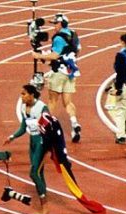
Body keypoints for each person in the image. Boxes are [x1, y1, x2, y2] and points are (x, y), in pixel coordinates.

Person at [37, 112, 106, 214]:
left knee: (73, 188)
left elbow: (46, 145)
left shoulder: (46, 124)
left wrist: (41, 162)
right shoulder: (50, 119)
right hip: (62, 155)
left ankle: (96, 208)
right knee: (72, 185)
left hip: (61, 160)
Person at [32, 13, 82, 143]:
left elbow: (54, 55)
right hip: (71, 72)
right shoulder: (74, 34)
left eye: (55, 24)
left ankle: (46, 127)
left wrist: (39, 56)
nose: (53, 26)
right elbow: (77, 51)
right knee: (68, 102)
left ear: (60, 24)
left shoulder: (59, 38)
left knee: (52, 100)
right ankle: (75, 124)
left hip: (59, 72)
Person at [3, 84, 49, 214]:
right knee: (40, 173)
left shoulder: (42, 108)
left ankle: (44, 206)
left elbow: (50, 127)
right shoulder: (24, 108)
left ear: (32, 95)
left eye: (24, 94)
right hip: (33, 144)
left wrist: (49, 147)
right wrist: (12, 137)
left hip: (41, 143)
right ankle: (43, 196)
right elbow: (24, 127)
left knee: (33, 173)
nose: (21, 97)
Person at [108, 33, 126, 144]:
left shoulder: (121, 55)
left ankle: (121, 135)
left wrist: (118, 88)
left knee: (120, 110)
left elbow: (121, 73)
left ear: (123, 42)